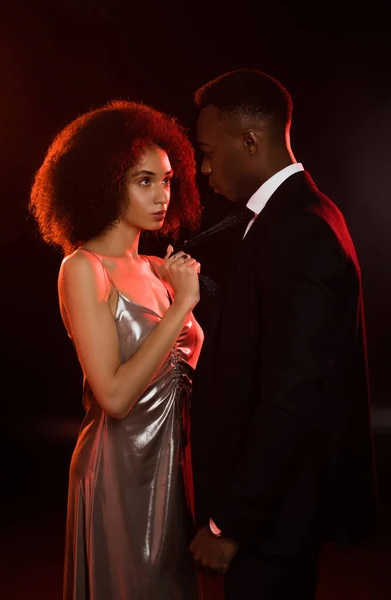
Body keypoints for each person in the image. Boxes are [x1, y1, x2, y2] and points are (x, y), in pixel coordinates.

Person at [188, 69, 378, 599]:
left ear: (250, 140)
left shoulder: (299, 228)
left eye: (207, 151)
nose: (203, 169)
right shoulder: (294, 215)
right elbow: (273, 327)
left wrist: (229, 523)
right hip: (275, 511)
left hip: (273, 518)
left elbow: (293, 395)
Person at [28, 100, 204, 600]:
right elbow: (115, 397)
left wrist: (178, 299)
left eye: (168, 180)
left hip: (174, 469)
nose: (162, 195)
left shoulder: (157, 268)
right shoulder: (83, 268)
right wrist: (182, 306)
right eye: (143, 180)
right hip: (118, 472)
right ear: (105, 181)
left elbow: (189, 375)